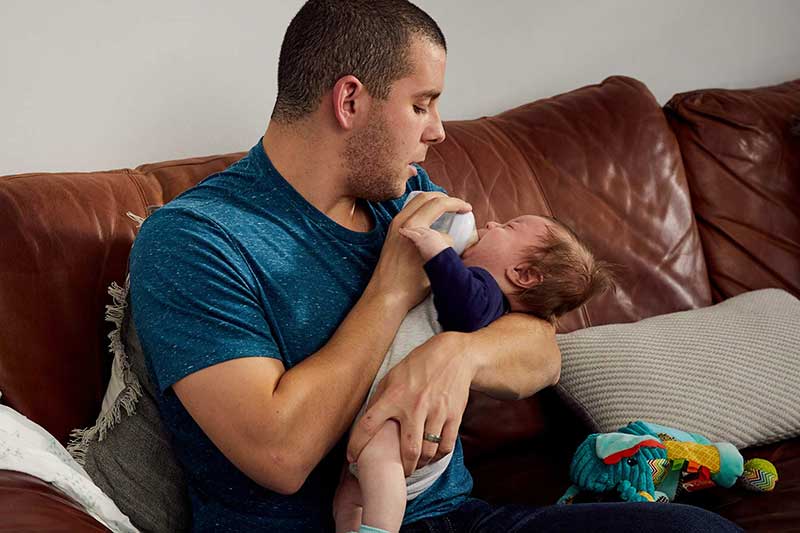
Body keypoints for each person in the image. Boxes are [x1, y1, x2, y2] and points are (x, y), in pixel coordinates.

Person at [128, 1, 742, 531]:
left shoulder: (407, 194)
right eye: (422, 105)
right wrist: (391, 290)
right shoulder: (197, 240)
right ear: (349, 100)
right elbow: (280, 454)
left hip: (452, 517)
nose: (440, 131)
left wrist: (455, 357)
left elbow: (541, 349)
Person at [334, 214, 615, 533]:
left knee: (378, 465)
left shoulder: (486, 298)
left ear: (522, 274)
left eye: (509, 227)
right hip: (387, 418)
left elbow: (463, 303)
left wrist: (438, 252)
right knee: (350, 495)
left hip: (403, 426)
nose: (492, 224)